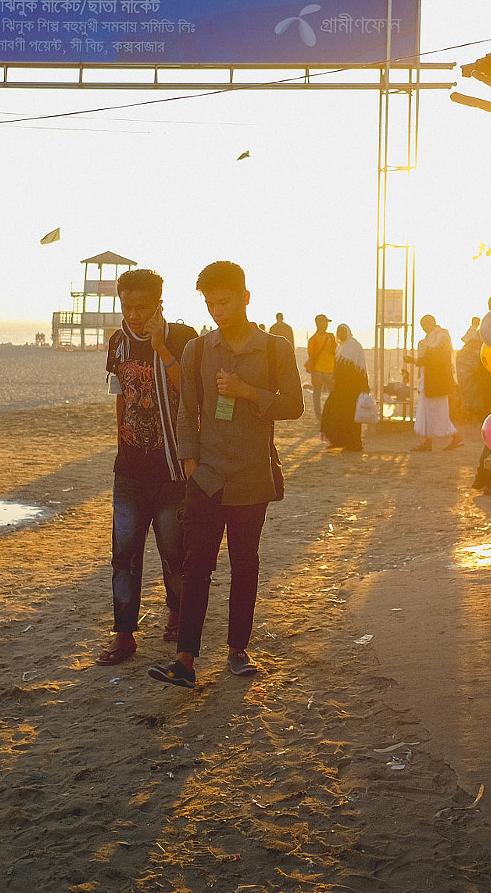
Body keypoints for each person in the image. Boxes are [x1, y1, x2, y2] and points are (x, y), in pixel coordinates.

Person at [148, 261, 303, 689]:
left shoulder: (275, 348)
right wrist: (190, 465)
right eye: (210, 303)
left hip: (253, 477)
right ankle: (184, 660)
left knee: (244, 565)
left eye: (225, 301)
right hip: (208, 478)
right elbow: (187, 410)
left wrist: (248, 392)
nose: (217, 310)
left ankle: (238, 650)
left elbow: (294, 405)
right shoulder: (197, 349)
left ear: (246, 297)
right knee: (195, 566)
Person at [96, 268, 196, 666]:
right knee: (124, 553)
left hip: (173, 469)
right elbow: (119, 395)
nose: (134, 315)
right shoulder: (118, 343)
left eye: (142, 307)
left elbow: (189, 388)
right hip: (130, 469)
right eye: (127, 305)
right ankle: (124, 633)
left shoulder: (184, 339)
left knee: (174, 550)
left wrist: (161, 348)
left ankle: (177, 611)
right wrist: (123, 443)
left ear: (159, 303)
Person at [406, 314, 461, 451]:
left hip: (436, 382)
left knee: (436, 411)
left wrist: (414, 361)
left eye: (424, 326)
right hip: (430, 381)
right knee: (430, 411)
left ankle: (453, 436)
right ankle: (430, 441)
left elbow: (435, 360)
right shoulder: (434, 338)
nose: (424, 329)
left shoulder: (441, 338)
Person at [320, 323, 370, 451]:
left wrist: (364, 383)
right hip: (339, 387)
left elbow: (361, 366)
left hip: (352, 387)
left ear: (348, 332)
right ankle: (338, 440)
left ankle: (354, 444)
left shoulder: (354, 345)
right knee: (332, 412)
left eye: (342, 331)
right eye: (338, 331)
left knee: (350, 415)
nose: (340, 334)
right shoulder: (340, 347)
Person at [306, 314, 337, 431]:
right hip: (319, 371)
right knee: (317, 394)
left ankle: (331, 414)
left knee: (332, 394)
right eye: (325, 322)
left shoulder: (331, 337)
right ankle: (319, 416)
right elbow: (311, 357)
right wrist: (313, 373)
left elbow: (335, 352)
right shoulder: (313, 340)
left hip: (330, 370)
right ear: (319, 323)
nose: (327, 325)